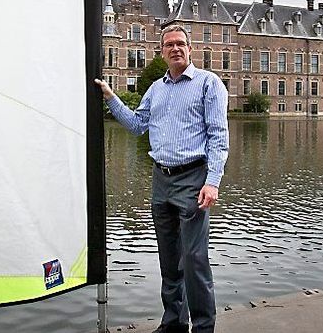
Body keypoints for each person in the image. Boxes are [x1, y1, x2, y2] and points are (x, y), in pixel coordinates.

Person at [94, 23, 229, 333]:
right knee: (169, 259)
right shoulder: (156, 89)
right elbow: (137, 124)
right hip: (161, 180)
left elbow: (219, 136)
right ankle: (174, 323)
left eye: (180, 43)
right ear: (162, 51)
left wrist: (213, 180)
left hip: (194, 178)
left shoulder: (209, 84)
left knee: (194, 260)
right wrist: (111, 96)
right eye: (169, 45)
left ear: (190, 49)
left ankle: (204, 327)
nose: (175, 48)